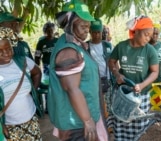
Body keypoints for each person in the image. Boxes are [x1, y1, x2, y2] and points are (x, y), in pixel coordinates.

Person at [47, 0, 108, 140]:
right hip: (77, 123)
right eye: (83, 25)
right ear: (69, 24)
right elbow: (72, 88)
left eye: (88, 26)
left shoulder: (76, 44)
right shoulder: (68, 51)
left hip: (79, 117)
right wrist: (87, 120)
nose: (87, 29)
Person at [108, 15, 159, 140]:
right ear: (136, 31)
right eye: (146, 34)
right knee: (121, 124)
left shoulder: (150, 51)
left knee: (139, 127)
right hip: (123, 95)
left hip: (141, 96)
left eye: (150, 35)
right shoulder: (121, 47)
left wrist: (142, 85)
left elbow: (155, 72)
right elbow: (111, 62)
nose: (148, 38)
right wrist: (117, 74)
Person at [0, 27, 43, 140]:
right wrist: (1, 125)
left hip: (31, 121)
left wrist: (33, 90)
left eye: (8, 48)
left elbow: (37, 73)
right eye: (0, 50)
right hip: (9, 126)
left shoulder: (23, 61)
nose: (6, 53)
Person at [87, 18, 113, 119]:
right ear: (90, 32)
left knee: (107, 106)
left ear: (102, 32)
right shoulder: (85, 46)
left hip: (106, 80)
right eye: (94, 32)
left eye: (99, 32)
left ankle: (107, 127)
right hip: (92, 82)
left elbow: (113, 63)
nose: (97, 35)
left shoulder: (108, 46)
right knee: (94, 105)